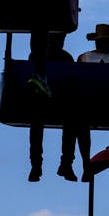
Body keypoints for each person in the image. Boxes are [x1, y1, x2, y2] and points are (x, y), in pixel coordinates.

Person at [24, 32, 91, 183]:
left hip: (50, 104)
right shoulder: (59, 57)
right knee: (66, 121)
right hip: (52, 103)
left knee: (59, 122)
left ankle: (53, 164)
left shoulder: (40, 55)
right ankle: (60, 164)